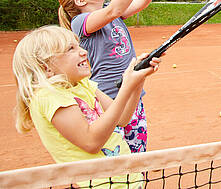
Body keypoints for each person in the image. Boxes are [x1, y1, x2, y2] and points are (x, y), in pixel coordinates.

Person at [13, 25, 161, 188]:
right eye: (70, 49)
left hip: (128, 180)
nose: (83, 51)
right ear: (46, 67)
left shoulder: (83, 84)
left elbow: (122, 118)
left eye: (78, 46)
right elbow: (91, 142)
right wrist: (126, 86)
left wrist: (138, 80)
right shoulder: (49, 96)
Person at [58, 0, 175, 153]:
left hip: (133, 98)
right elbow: (114, 10)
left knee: (136, 155)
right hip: (109, 102)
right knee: (115, 156)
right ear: (79, 0)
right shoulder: (80, 22)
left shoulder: (113, 13)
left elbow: (141, 2)